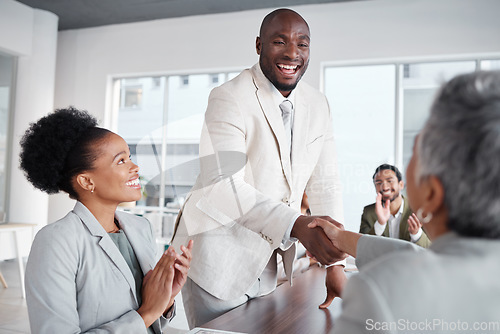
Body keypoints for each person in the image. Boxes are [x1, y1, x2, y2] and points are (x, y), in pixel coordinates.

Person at [170, 8, 346, 327]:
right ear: (258, 45)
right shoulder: (228, 97)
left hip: (267, 261)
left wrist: (337, 264)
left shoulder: (318, 104)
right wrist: (297, 225)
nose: (292, 53)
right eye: (279, 41)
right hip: (216, 258)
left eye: (302, 44)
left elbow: (326, 183)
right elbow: (222, 186)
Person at [309, 70, 500, 333]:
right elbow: (419, 256)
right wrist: (340, 238)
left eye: (415, 151)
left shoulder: (382, 293)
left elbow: (418, 262)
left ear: (431, 193)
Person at [19, 107, 193, 334]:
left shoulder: (141, 227)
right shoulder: (56, 241)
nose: (135, 167)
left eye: (129, 157)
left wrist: (166, 298)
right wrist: (147, 313)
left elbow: (151, 324)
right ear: (86, 181)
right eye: (121, 161)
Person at [360, 164, 431, 247]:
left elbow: (433, 248)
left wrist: (416, 234)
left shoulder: (419, 209)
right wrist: (380, 224)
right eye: (379, 183)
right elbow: (362, 247)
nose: (385, 187)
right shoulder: (369, 212)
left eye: (389, 181)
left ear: (401, 185)